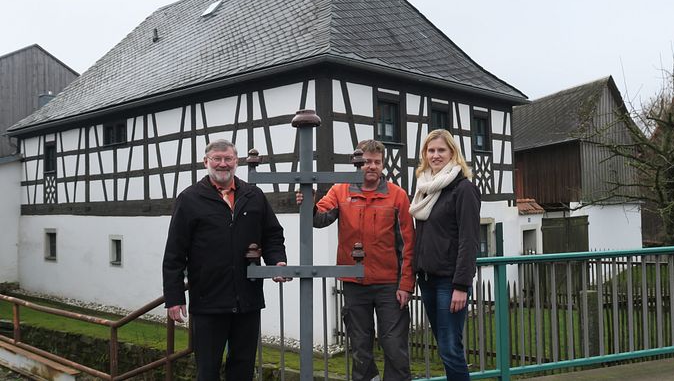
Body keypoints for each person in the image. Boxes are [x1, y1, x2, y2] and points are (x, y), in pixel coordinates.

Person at [162, 139, 289, 381]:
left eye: (228, 158)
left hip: (247, 299)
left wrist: (276, 261)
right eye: (217, 159)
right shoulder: (189, 199)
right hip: (208, 300)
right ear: (206, 162)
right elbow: (175, 253)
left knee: (242, 369)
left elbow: (272, 235)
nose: (223, 164)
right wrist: (174, 298)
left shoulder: (254, 196)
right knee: (208, 371)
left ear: (236, 161)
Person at [296, 139, 415, 381]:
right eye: (366, 162)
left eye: (377, 162)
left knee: (395, 347)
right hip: (354, 282)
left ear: (383, 165)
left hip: (388, 285)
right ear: (357, 163)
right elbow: (320, 218)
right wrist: (308, 204)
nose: (371, 166)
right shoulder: (340, 191)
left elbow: (408, 244)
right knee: (360, 347)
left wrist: (405, 285)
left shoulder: (398, 196)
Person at [410, 129, 480, 381]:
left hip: (450, 282)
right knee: (445, 346)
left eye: (441, 150)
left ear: (453, 153)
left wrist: (461, 285)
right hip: (427, 279)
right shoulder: (425, 189)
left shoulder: (464, 189)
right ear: (424, 155)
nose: (435, 155)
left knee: (451, 349)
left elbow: (469, 240)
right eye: (431, 150)